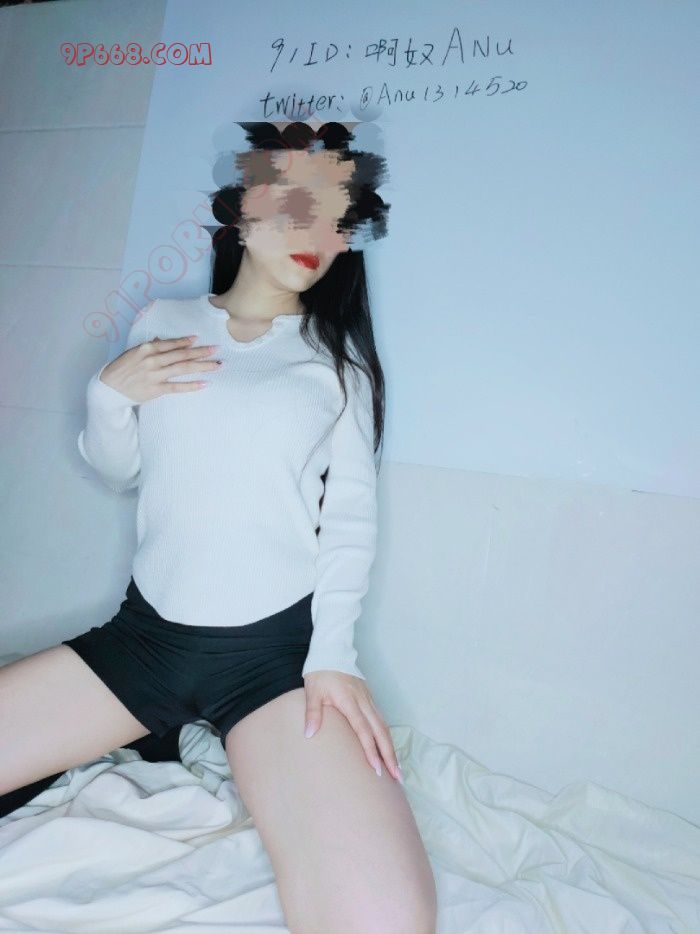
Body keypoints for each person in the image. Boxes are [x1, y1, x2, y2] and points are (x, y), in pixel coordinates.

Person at [0, 121, 437, 932]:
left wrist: (333, 659)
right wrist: (107, 395)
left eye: (341, 219)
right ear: (241, 207)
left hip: (275, 663)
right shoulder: (161, 320)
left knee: (385, 923)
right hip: (143, 643)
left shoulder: (334, 365)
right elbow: (122, 471)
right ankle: (142, 730)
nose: (320, 234)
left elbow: (350, 524)